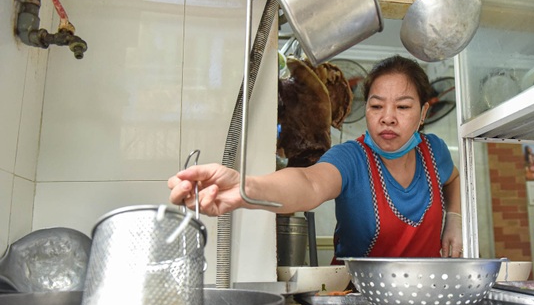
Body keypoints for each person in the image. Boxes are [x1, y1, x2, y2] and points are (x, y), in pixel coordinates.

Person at [168, 55, 463, 259]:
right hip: (359, 300)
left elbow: (454, 178)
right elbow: (308, 184)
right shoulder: (351, 158)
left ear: (424, 112)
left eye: (402, 107)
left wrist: (455, 219)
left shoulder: (434, 151)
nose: (387, 118)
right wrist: (246, 188)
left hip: (427, 296)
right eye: (376, 106)